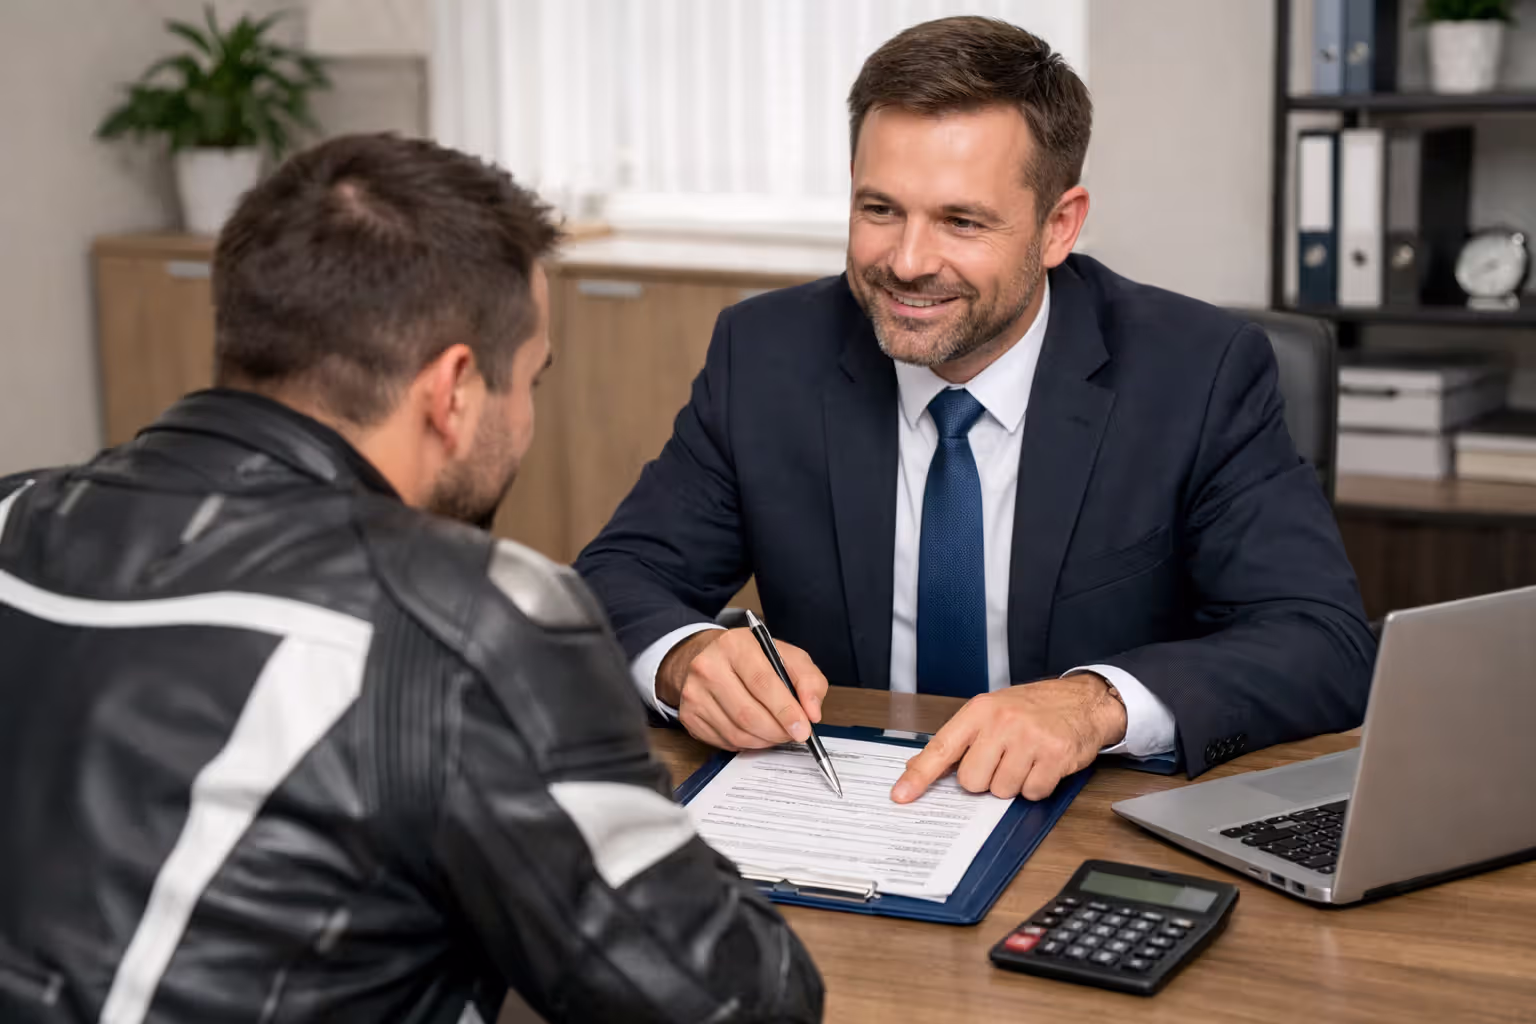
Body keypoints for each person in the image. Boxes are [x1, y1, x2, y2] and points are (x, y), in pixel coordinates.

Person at [0, 134, 821, 1024]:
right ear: (456, 391)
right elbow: (743, 999)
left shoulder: (14, 514)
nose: (528, 414)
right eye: (531, 379)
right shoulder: (463, 618)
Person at [574, 17, 1376, 806]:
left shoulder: (1196, 371)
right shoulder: (767, 355)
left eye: (961, 221)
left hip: (1088, 830)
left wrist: (1098, 704)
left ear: (1059, 226)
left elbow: (1322, 644)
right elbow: (615, 579)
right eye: (879, 209)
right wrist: (689, 657)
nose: (909, 262)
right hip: (845, 814)